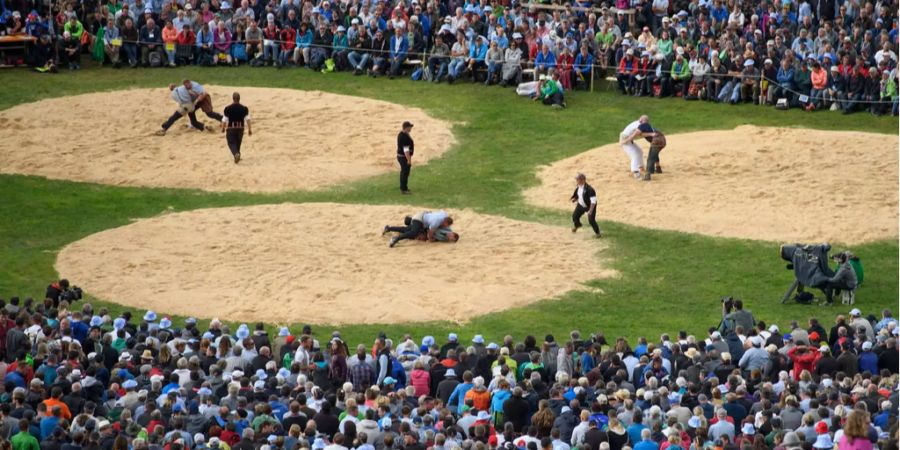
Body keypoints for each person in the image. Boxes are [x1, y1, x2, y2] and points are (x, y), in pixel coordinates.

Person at [156, 80, 224, 136]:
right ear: (176, 85)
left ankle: (164, 128)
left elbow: (181, 101)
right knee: (207, 114)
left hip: (189, 105)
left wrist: (194, 101)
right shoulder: (183, 88)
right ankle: (206, 126)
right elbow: (192, 95)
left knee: (174, 117)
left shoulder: (173, 94)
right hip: (191, 104)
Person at [384, 210, 454, 248]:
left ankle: (388, 228)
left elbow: (442, 211)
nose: (446, 227)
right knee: (413, 232)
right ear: (445, 221)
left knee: (406, 230)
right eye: (446, 225)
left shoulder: (444, 215)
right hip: (419, 219)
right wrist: (431, 239)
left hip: (424, 215)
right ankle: (396, 239)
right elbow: (430, 233)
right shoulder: (435, 222)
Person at [618, 115, 654, 180]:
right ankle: (635, 172)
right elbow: (640, 134)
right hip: (625, 139)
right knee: (634, 154)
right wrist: (651, 134)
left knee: (639, 151)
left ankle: (641, 167)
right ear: (641, 120)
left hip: (628, 139)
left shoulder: (639, 123)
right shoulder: (637, 125)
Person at [221, 92, 252, 164]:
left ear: (233, 98)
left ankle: (236, 154)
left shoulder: (228, 108)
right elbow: (248, 119)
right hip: (241, 128)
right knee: (238, 142)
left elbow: (224, 119)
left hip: (231, 127)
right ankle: (237, 155)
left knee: (231, 142)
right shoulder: (244, 108)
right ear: (239, 99)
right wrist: (250, 129)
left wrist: (223, 128)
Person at [570, 173, 601, 238]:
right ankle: (578, 225)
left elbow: (593, 201)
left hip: (590, 206)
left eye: (578, 179)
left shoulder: (590, 189)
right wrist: (575, 199)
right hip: (581, 205)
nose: (577, 181)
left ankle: (598, 233)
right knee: (575, 216)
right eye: (577, 179)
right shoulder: (578, 187)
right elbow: (579, 195)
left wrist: (590, 210)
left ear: (583, 180)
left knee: (591, 220)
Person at [396, 121, 414, 195]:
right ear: (406, 128)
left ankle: (403, 187)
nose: (411, 128)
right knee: (405, 173)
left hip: (402, 156)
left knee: (404, 172)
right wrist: (409, 160)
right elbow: (406, 150)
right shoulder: (404, 137)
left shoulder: (402, 134)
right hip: (404, 157)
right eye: (410, 127)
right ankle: (403, 189)